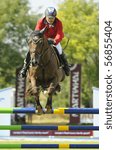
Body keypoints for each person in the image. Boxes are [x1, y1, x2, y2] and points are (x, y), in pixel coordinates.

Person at [20, 7, 70, 77]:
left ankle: (66, 67)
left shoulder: (59, 23)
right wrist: (44, 40)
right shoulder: (40, 21)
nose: (51, 20)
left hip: (53, 40)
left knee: (60, 51)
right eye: (49, 18)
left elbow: (59, 34)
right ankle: (24, 68)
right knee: (31, 51)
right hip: (42, 40)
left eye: (52, 18)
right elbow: (37, 32)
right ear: (46, 16)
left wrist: (55, 41)